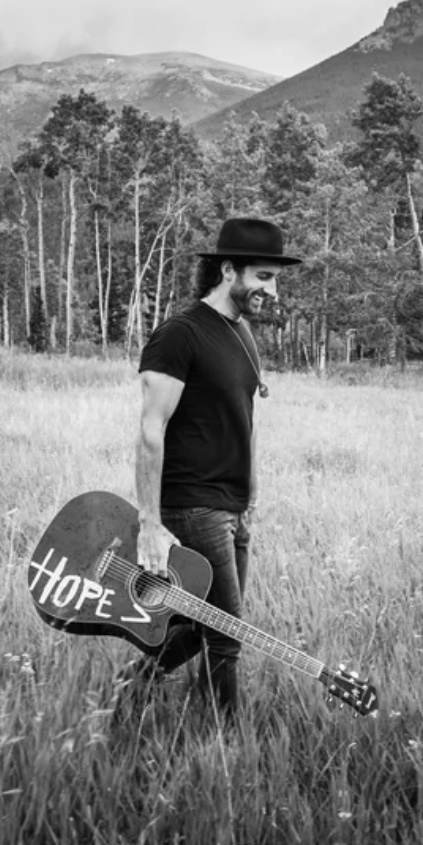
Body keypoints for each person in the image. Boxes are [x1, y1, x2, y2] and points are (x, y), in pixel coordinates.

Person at [125, 217, 302, 724]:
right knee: (228, 633)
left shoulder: (241, 333)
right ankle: (226, 738)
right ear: (229, 270)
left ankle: (135, 686)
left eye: (275, 278)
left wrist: (251, 498)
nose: (273, 288)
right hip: (194, 507)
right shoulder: (180, 336)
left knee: (205, 626)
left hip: (234, 508)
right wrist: (150, 524)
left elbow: (240, 421)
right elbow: (150, 431)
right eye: (264, 276)